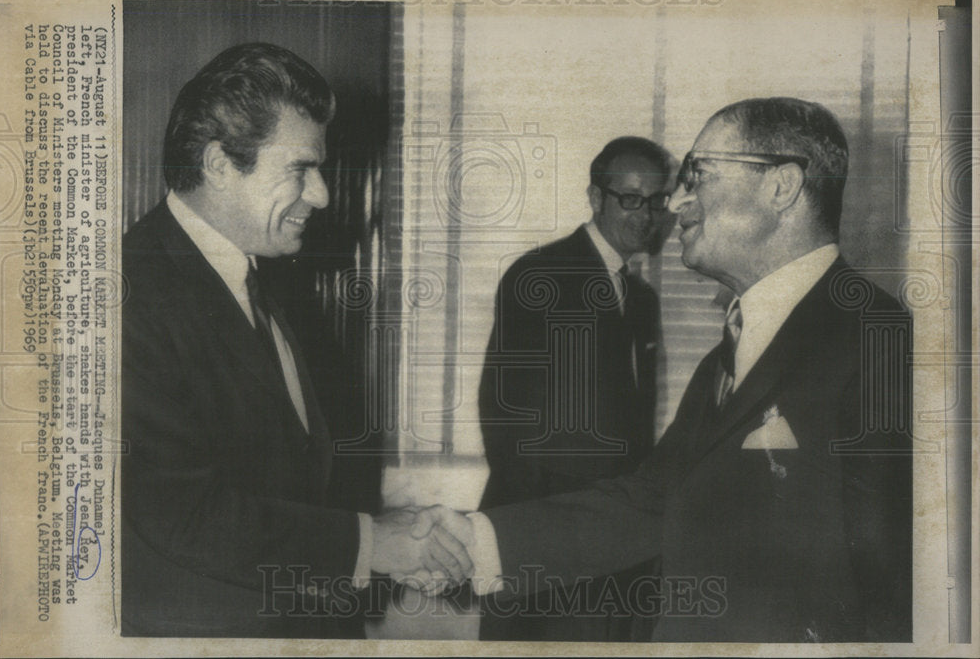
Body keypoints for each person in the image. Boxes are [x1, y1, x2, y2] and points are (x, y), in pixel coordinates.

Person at [417, 97, 914, 642]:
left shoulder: (880, 340)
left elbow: (894, 580)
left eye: (698, 174)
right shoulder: (723, 358)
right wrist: (476, 541)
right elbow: (653, 498)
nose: (677, 202)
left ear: (782, 186)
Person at [121, 42, 470, 638]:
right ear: (219, 164)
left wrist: (378, 531)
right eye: (300, 169)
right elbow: (180, 513)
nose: (323, 195)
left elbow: (282, 480)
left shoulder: (265, 278)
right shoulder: (128, 292)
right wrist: (370, 543)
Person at [477, 137, 673, 640]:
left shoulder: (641, 298)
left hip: (615, 532)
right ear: (595, 197)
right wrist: (533, 543)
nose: (645, 214)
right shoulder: (540, 274)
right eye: (630, 198)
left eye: (655, 200)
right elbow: (504, 416)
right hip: (547, 531)